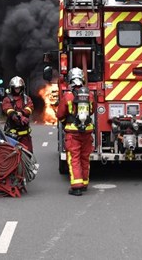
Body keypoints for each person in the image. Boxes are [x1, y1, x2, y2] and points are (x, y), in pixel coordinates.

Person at [56, 67, 94, 195]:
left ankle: (76, 186)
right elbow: (92, 111)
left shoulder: (67, 96)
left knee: (74, 158)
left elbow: (60, 114)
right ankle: (84, 183)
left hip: (73, 132)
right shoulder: (90, 95)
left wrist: (65, 120)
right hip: (87, 132)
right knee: (85, 157)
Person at [0, 76, 34, 152]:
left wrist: (22, 113)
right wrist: (16, 115)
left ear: (22, 88)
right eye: (15, 88)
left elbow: (30, 107)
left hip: (25, 136)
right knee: (11, 157)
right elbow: (7, 109)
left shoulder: (26, 99)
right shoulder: (7, 99)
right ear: (12, 88)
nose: (17, 90)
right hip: (12, 135)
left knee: (28, 155)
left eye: (19, 88)